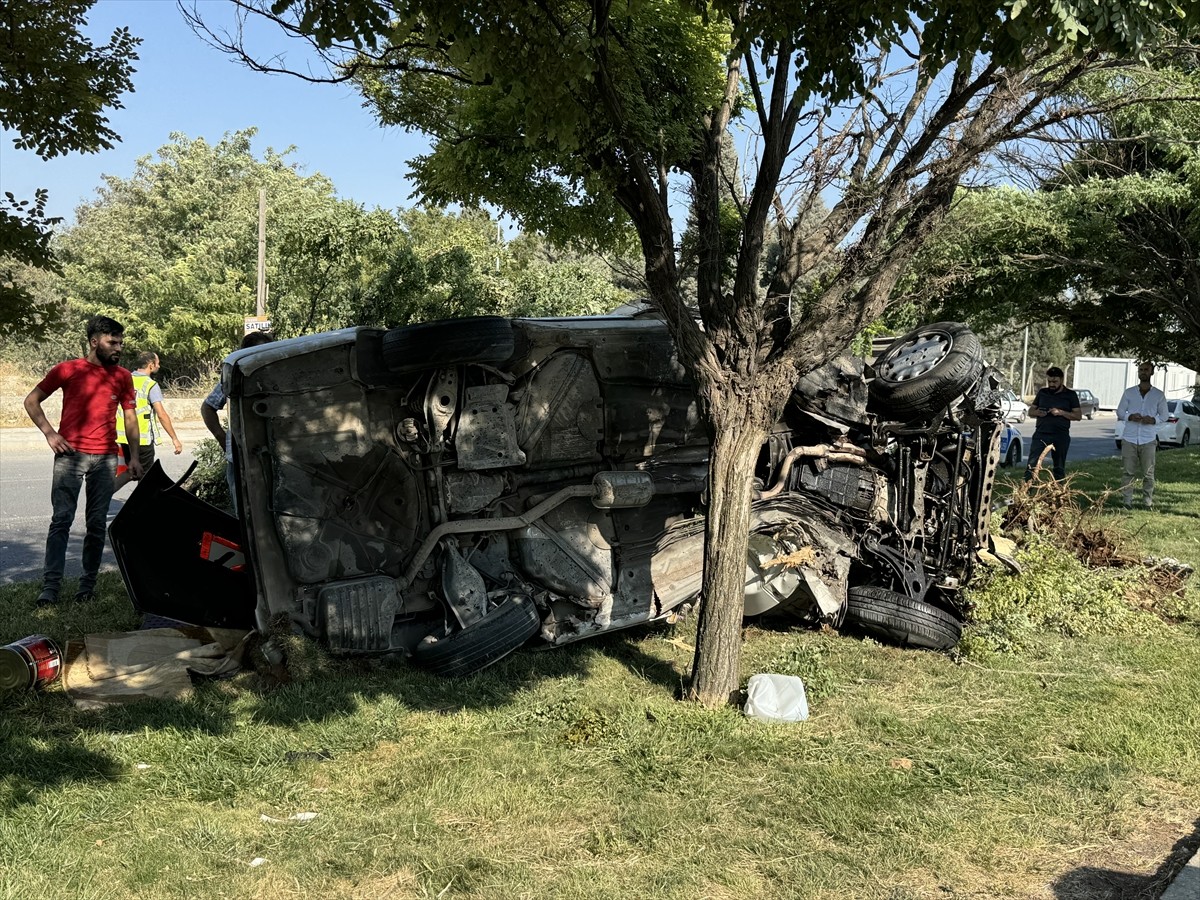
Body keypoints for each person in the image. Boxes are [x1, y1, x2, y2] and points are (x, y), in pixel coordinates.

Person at [23, 315, 143, 606]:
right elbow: (31, 400)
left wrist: (134, 457)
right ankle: (50, 587)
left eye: (121, 343)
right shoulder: (68, 370)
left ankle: (86, 587)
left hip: (106, 458)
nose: (119, 348)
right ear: (94, 342)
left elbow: (130, 418)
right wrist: (50, 434)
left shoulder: (123, 376)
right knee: (61, 520)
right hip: (70, 456)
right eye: (112, 342)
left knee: (96, 524)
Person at [201, 330, 276, 513]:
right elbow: (208, 407)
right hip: (240, 460)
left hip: (271, 457)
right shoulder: (234, 379)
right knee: (245, 514)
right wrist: (223, 439)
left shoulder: (275, 378)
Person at [114, 351, 184, 489]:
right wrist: (174, 438)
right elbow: (161, 414)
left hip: (124, 437)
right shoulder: (150, 385)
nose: (159, 366)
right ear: (151, 365)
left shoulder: (124, 380)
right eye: (158, 363)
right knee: (146, 477)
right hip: (142, 438)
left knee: (132, 472)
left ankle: (103, 495)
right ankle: (142, 503)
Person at [1116, 360, 1168, 509]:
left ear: (1151, 372)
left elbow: (1164, 415)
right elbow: (1120, 412)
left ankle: (1147, 502)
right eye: (1141, 370)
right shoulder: (1129, 392)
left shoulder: (1158, 395)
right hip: (1129, 438)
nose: (1143, 372)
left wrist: (1153, 420)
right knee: (1128, 472)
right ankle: (1127, 502)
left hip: (1148, 439)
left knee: (1148, 473)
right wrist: (1130, 416)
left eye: (1146, 370)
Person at [1024, 366, 1082, 481]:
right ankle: (1027, 488)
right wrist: (1038, 412)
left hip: (1060, 435)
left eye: (1055, 382)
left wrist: (1061, 412)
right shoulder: (1042, 393)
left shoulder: (1070, 395)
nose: (1051, 384)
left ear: (1061, 380)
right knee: (1032, 464)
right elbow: (1031, 412)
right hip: (1041, 434)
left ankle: (1058, 489)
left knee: (1059, 467)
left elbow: (1078, 416)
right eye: (1049, 381)